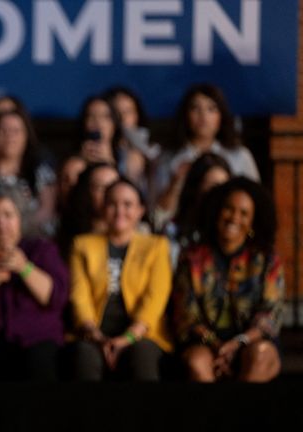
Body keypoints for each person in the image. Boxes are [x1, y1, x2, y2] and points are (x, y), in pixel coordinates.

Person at [171, 177, 283, 382]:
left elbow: (269, 315)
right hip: (205, 343)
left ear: (253, 221)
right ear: (216, 212)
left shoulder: (266, 259)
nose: (234, 218)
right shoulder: (192, 258)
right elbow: (186, 316)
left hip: (252, 342)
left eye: (244, 213)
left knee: (260, 354)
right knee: (197, 362)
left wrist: (238, 342)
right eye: (228, 209)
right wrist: (218, 346)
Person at [69, 178, 172, 381]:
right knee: (84, 355)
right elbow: (79, 295)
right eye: (112, 204)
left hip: (141, 334)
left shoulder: (157, 246)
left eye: (128, 204)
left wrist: (127, 338)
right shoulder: (82, 245)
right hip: (94, 333)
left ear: (140, 210)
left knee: (142, 354)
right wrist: (96, 336)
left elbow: (155, 299)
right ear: (103, 208)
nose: (119, 211)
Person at [0, 185, 69, 382]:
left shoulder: (41, 249)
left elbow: (57, 297)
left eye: (8, 215)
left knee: (40, 363)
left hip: (36, 338)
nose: (1, 224)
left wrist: (24, 267)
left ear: (21, 219)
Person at [156, 83, 260, 217]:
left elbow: (255, 203)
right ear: (186, 114)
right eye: (195, 108)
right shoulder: (169, 157)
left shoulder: (240, 156)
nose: (203, 116)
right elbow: (159, 213)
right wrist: (175, 183)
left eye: (211, 109)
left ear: (221, 115)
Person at [0, 108, 57, 236]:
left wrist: (17, 231)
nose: (9, 136)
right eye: (3, 130)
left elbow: (47, 211)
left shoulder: (40, 170)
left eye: (16, 131)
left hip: (33, 238)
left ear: (27, 135)